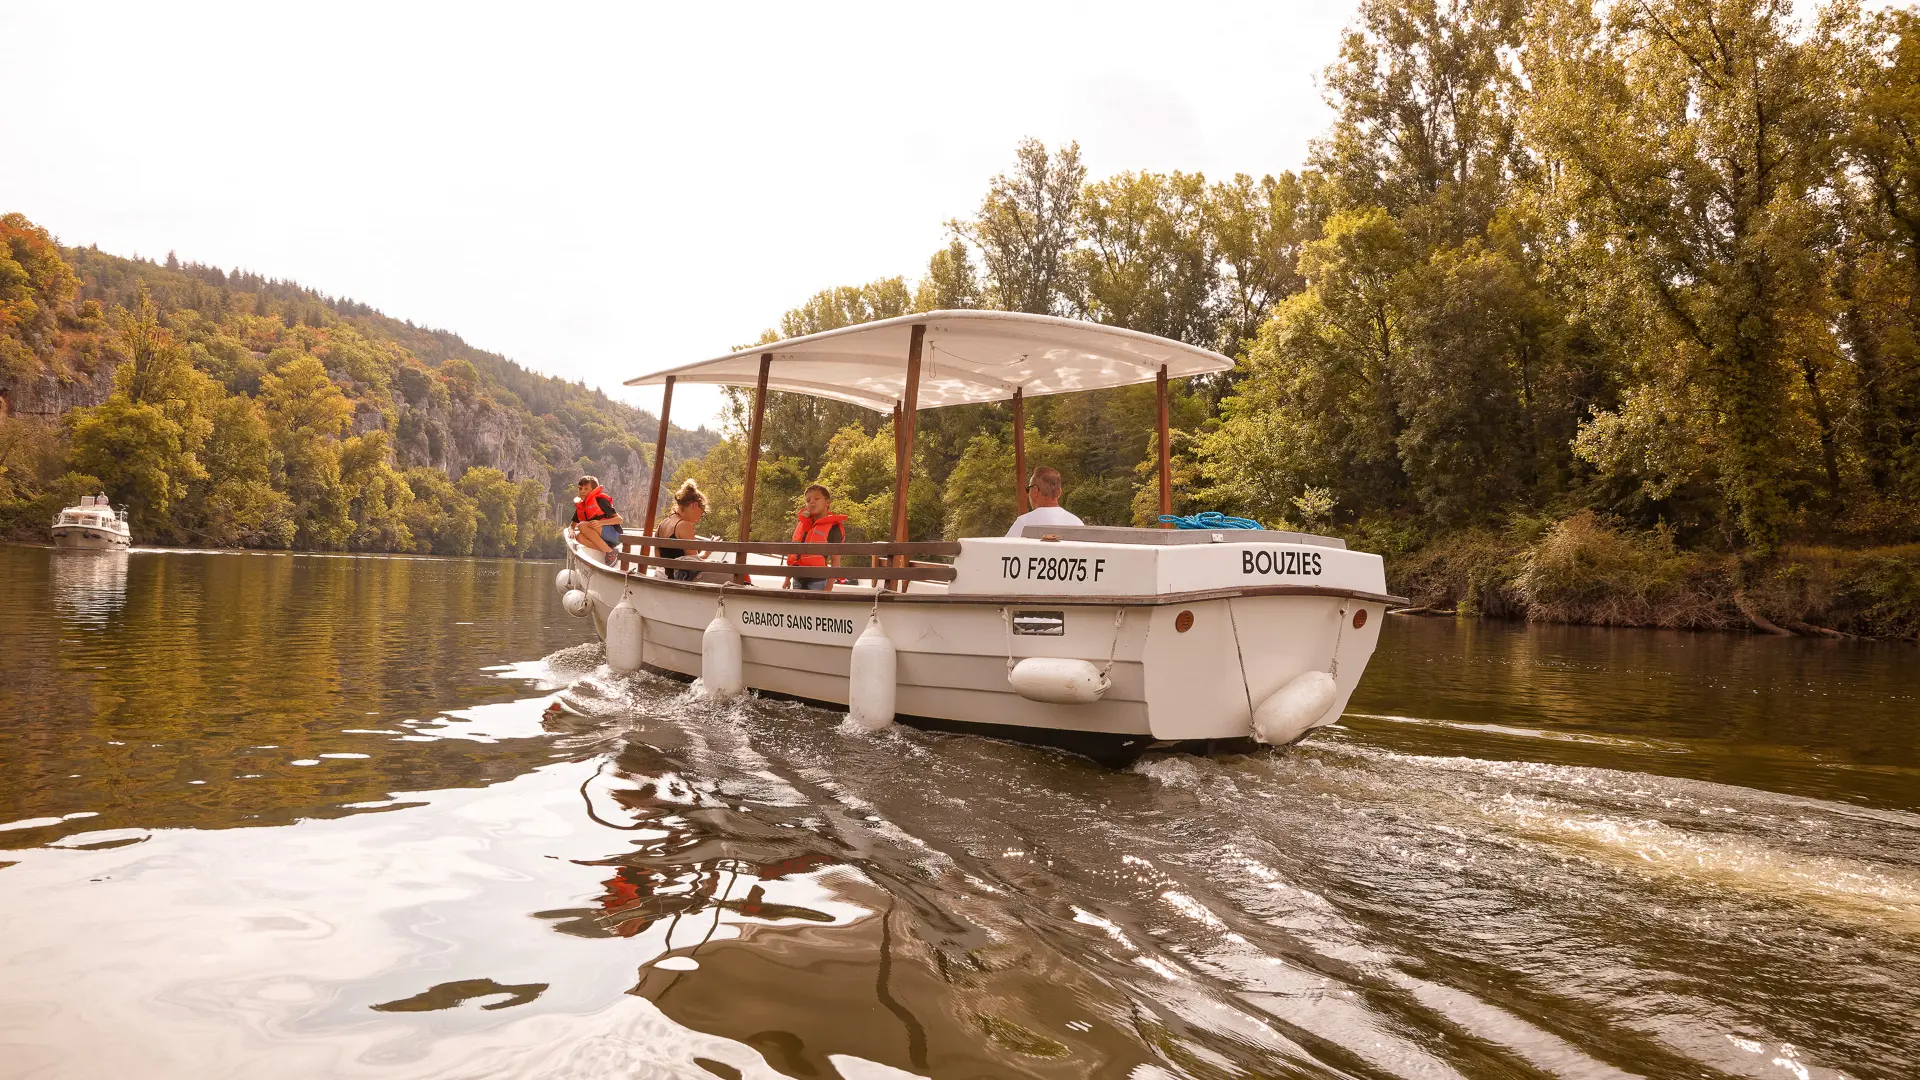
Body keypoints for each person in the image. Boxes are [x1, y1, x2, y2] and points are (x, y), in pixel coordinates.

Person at [785, 484, 847, 591]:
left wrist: (829, 587)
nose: (812, 502)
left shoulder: (833, 528)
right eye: (808, 500)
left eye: (816, 499)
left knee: (814, 607)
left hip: (818, 581)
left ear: (827, 502)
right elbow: (794, 554)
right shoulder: (803, 524)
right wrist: (787, 579)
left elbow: (835, 562)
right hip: (797, 579)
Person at [1005, 466, 1084, 536]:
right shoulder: (1077, 523)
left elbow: (1005, 550)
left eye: (1028, 489)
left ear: (1035, 491)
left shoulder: (1024, 523)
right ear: (1059, 492)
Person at [654, 480, 708, 581]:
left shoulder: (662, 524)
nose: (699, 518)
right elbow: (694, 563)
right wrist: (706, 552)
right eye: (701, 513)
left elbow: (658, 558)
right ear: (694, 505)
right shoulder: (684, 525)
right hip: (676, 580)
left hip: (660, 576)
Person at [570, 475, 624, 563]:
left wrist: (600, 523)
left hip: (615, 536)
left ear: (593, 490)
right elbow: (572, 526)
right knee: (579, 537)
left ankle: (609, 552)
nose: (582, 491)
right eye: (580, 489)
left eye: (586, 489)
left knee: (582, 525)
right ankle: (609, 550)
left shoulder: (600, 501)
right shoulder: (581, 506)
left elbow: (619, 519)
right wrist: (571, 531)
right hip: (603, 541)